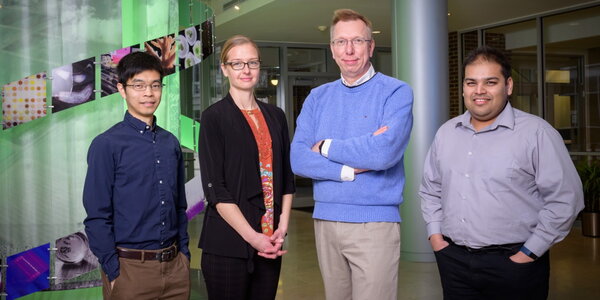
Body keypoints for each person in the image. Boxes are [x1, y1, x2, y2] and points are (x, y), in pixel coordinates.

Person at [419, 45, 584, 300]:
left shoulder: (536, 133)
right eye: (471, 82)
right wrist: (436, 235)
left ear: (508, 86)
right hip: (454, 261)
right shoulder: (446, 132)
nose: (479, 91)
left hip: (515, 264)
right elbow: (431, 188)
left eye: (490, 82)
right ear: (463, 87)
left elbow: (566, 199)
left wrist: (529, 251)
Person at [290, 9, 413, 300]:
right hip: (325, 222)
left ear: (370, 46)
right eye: (340, 42)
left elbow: (383, 153)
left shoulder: (396, 92)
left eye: (357, 41)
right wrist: (348, 169)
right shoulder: (317, 97)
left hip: (375, 225)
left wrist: (326, 146)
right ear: (332, 49)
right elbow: (297, 158)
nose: (349, 50)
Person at [83, 51, 190, 299]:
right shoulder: (106, 144)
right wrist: (113, 269)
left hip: (175, 269)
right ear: (122, 89)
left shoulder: (170, 143)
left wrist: (184, 254)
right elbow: (97, 215)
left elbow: (179, 206)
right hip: (130, 271)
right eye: (138, 85)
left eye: (155, 85)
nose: (148, 93)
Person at [198, 35, 295, 300]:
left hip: (270, 241)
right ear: (224, 68)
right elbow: (216, 190)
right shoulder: (213, 118)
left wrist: (281, 227)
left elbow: (286, 177)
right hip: (228, 244)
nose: (246, 70)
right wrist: (253, 238)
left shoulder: (276, 116)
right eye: (237, 63)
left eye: (252, 62)